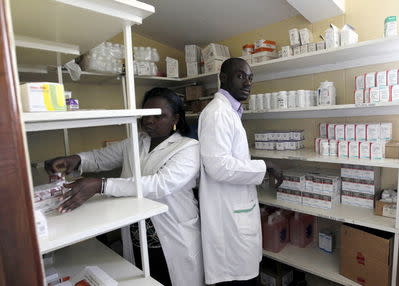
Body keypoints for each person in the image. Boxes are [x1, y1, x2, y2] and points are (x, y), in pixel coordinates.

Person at [45, 87, 204, 286]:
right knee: (143, 277)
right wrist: (74, 160)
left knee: (171, 278)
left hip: (173, 233)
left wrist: (101, 185)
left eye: (158, 116)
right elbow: (100, 157)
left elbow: (160, 184)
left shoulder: (188, 147)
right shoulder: (136, 142)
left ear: (176, 119)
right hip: (137, 233)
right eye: (145, 115)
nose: (149, 121)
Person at [198, 58, 283, 286]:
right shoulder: (218, 114)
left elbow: (230, 160)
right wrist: (266, 166)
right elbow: (219, 166)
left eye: (250, 78)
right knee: (239, 280)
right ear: (223, 78)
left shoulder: (230, 112)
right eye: (240, 76)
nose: (247, 83)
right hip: (229, 222)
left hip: (235, 210)